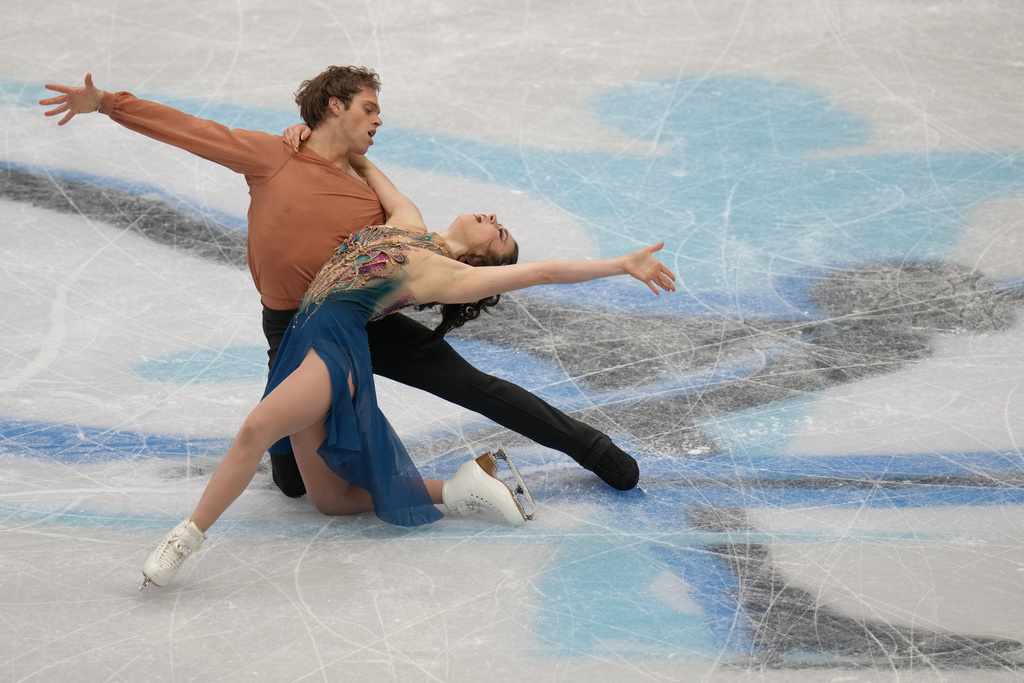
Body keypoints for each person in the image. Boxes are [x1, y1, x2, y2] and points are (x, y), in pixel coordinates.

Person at [39, 68, 643, 494]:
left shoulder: (379, 211)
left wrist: (351, 156)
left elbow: (410, 255)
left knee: (476, 387)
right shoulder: (274, 155)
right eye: (369, 109)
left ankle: (594, 450)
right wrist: (111, 104)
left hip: (362, 322)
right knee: (292, 484)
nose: (378, 120)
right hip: (293, 329)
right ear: (335, 106)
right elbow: (196, 132)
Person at [135, 150, 676, 588]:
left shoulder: (453, 276)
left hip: (344, 337)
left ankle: (592, 449)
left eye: (500, 231)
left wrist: (621, 264)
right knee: (310, 494)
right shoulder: (409, 222)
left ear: (478, 264)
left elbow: (542, 273)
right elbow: (363, 162)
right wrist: (308, 138)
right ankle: (461, 489)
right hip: (312, 331)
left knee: (465, 388)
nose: (491, 216)